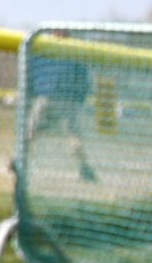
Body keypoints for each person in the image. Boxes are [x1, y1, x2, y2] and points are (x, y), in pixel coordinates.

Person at [26, 35, 99, 184]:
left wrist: (31, 92)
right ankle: (84, 167)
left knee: (33, 131)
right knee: (32, 130)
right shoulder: (60, 49)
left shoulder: (53, 48)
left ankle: (84, 168)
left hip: (54, 98)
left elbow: (82, 77)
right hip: (58, 99)